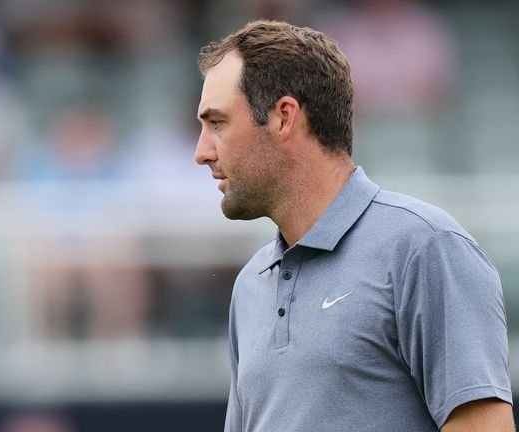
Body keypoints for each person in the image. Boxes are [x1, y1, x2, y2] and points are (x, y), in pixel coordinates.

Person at [193, 19, 513, 431]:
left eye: (217, 123)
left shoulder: (426, 248)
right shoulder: (250, 284)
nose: (202, 152)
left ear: (284, 117)